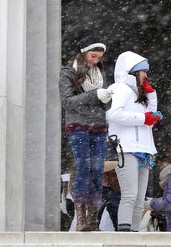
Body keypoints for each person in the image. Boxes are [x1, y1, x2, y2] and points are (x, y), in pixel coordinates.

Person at [59, 35, 112, 231]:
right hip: (78, 125)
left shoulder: (99, 75)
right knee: (83, 168)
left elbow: (106, 106)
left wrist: (106, 98)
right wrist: (93, 94)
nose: (95, 60)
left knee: (97, 171)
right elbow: (66, 102)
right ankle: (80, 218)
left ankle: (92, 219)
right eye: (93, 55)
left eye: (99, 57)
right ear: (83, 53)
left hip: (98, 126)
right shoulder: (67, 72)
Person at [106, 51, 163, 232]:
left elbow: (148, 118)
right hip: (126, 148)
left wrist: (151, 95)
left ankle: (135, 234)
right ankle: (124, 234)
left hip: (144, 150)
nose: (146, 75)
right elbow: (112, 114)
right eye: (143, 71)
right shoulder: (120, 88)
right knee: (130, 195)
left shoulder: (140, 93)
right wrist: (142, 118)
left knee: (139, 199)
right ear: (132, 72)